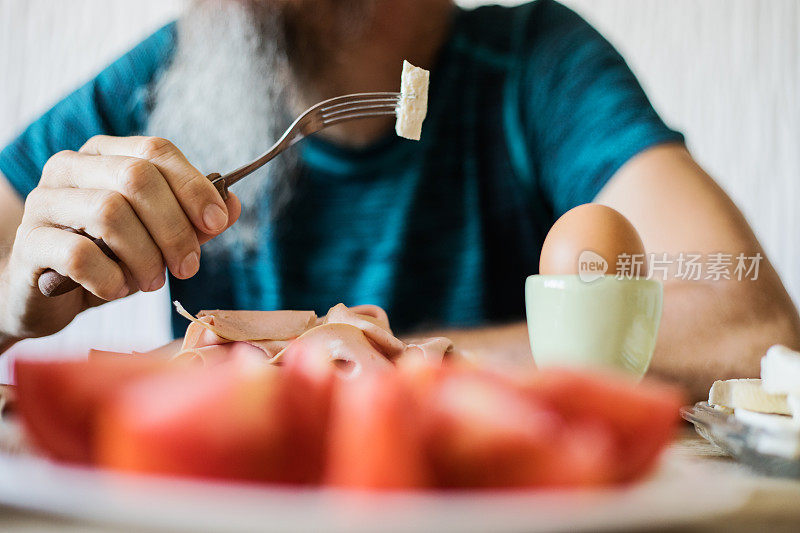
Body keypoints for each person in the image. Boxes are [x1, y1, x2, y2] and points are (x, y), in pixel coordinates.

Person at [0, 0, 797, 399]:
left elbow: (744, 321)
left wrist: (347, 353)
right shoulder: (177, 72)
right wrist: (11, 308)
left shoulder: (538, 67)